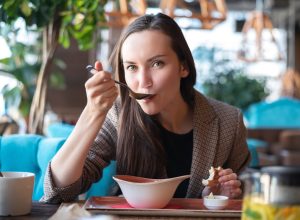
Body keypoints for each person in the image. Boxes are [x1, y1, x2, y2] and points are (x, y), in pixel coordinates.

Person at [42, 13, 250, 203]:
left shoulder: (228, 121)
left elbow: (250, 194)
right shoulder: (117, 113)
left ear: (183, 66)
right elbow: (58, 191)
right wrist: (92, 113)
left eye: (157, 64)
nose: (143, 82)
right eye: (132, 67)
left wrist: (217, 197)